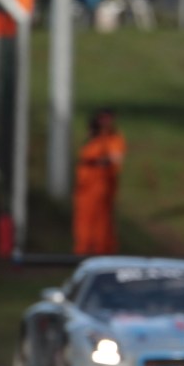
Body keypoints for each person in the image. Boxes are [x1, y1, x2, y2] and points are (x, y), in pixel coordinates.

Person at [73, 109, 126, 256]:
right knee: (83, 220)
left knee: (101, 221)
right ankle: (83, 250)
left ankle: (102, 251)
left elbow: (115, 159)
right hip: (85, 187)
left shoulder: (113, 138)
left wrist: (100, 161)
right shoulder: (92, 139)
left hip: (101, 185)